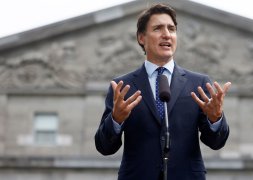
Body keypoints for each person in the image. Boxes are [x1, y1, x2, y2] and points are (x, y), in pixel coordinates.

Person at [95, 3, 231, 180]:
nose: (167, 34)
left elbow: (216, 143)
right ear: (141, 38)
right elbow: (104, 147)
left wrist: (216, 119)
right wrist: (115, 119)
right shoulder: (122, 86)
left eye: (172, 29)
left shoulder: (198, 83)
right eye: (158, 28)